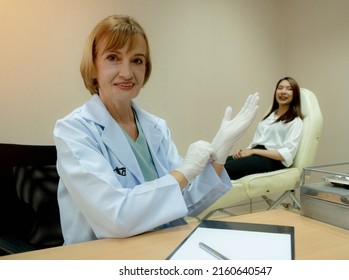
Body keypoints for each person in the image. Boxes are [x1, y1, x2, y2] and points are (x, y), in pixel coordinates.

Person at [53, 15, 259, 245]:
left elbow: (185, 201)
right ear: (92, 68)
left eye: (137, 60)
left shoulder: (156, 128)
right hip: (103, 257)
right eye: (113, 58)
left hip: (161, 246)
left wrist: (219, 154)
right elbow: (115, 217)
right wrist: (185, 171)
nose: (127, 72)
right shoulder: (75, 130)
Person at [224, 77, 303, 180]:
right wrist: (244, 151)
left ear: (295, 94)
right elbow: (256, 142)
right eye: (280, 88)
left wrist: (253, 152)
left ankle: (208, 195)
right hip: (257, 154)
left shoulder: (295, 122)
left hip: (273, 160)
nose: (283, 91)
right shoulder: (268, 117)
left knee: (226, 169)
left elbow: (286, 154)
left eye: (289, 89)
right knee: (216, 164)